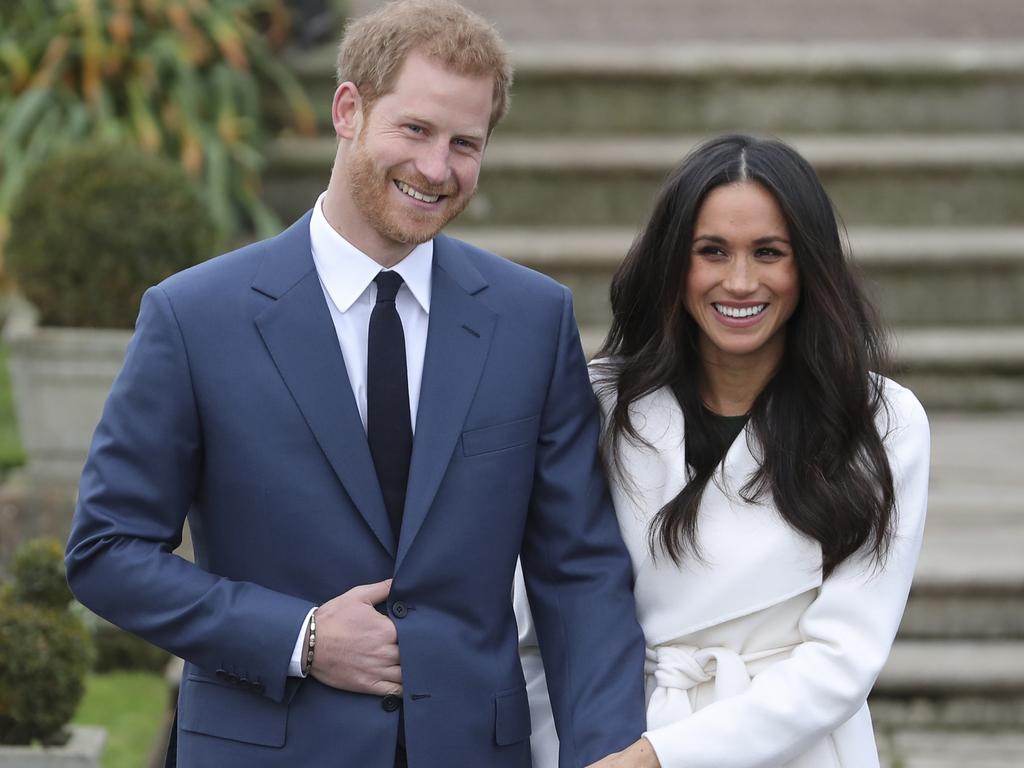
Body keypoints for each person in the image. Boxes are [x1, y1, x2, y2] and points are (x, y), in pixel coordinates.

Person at [64, 1, 646, 766]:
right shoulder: (194, 317)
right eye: (415, 129)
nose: (437, 169)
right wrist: (298, 638)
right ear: (348, 109)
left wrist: (606, 752)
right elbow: (106, 550)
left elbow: (579, 571)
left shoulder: (530, 321)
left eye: (464, 143)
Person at [516, 133, 930, 768]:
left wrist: (660, 757)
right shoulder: (598, 403)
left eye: (769, 253)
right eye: (712, 252)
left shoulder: (880, 420)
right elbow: (543, 620)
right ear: (673, 264)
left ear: (810, 265)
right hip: (613, 735)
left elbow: (844, 659)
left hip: (795, 749)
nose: (740, 282)